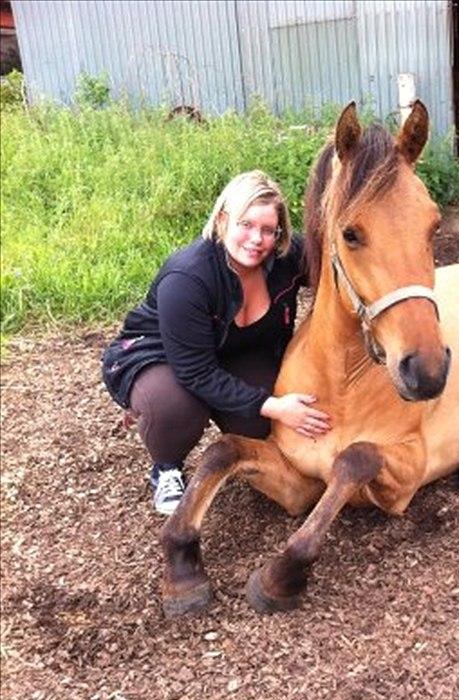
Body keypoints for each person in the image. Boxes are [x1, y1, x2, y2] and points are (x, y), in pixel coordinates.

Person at [101, 171, 331, 515]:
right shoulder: (187, 276)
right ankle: (166, 466)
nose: (257, 239)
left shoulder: (286, 256)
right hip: (164, 354)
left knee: (258, 422)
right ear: (223, 219)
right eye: (246, 225)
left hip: (236, 349)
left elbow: (341, 268)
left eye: (269, 230)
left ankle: (230, 423)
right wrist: (275, 405)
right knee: (174, 407)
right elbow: (196, 372)